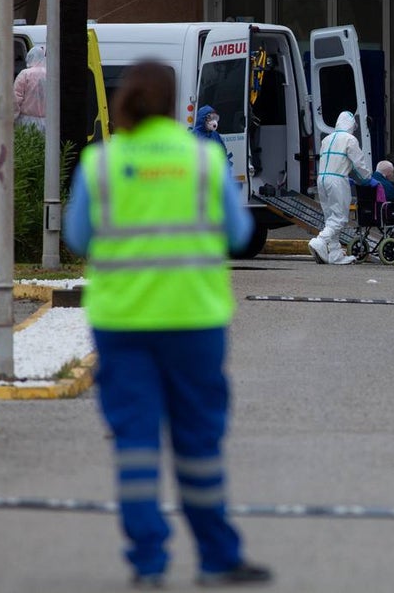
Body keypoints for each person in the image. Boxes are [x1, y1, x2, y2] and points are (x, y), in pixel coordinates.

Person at [63, 61, 272, 589]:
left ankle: (148, 562)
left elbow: (79, 236)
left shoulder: (103, 163)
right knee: (198, 441)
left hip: (122, 322)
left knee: (135, 441)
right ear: (177, 101)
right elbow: (239, 230)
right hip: (193, 319)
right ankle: (216, 556)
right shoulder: (202, 160)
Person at [309, 110, 372, 265]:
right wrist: (367, 178)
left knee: (330, 216)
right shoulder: (350, 139)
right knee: (339, 217)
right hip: (337, 180)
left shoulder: (327, 139)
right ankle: (320, 241)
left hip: (322, 179)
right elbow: (359, 164)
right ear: (350, 125)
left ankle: (335, 253)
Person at [13, 44, 47, 132]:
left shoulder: (25, 74)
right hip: (47, 122)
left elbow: (16, 99)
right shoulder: (51, 74)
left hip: (26, 122)